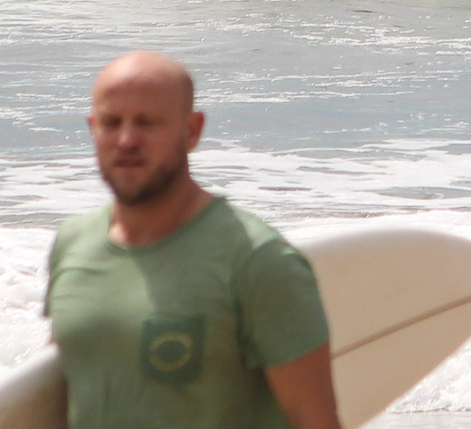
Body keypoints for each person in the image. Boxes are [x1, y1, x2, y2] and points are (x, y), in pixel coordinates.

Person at [44, 52, 341, 429]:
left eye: (147, 122)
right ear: (92, 128)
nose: (126, 139)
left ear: (192, 130)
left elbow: (315, 421)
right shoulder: (73, 243)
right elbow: (53, 397)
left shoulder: (258, 261)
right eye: (111, 122)